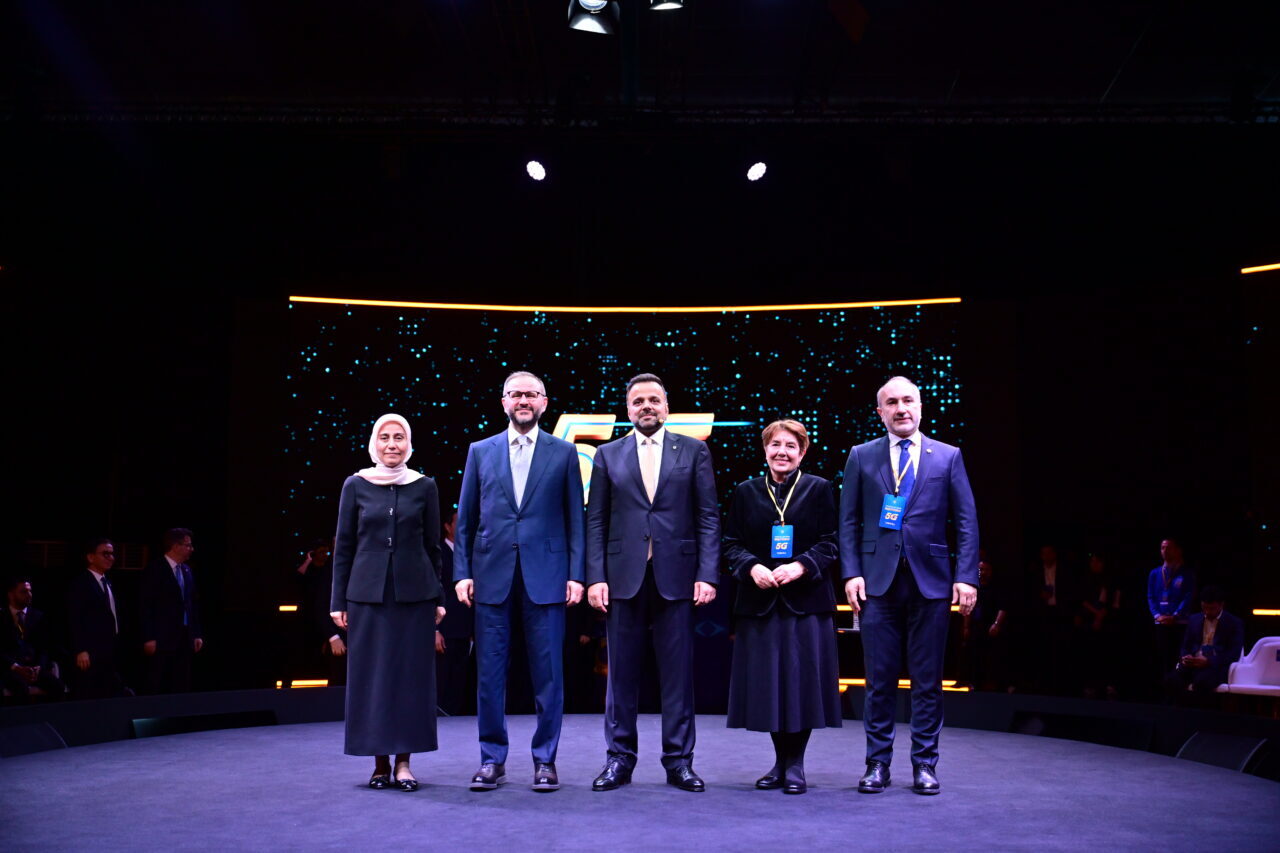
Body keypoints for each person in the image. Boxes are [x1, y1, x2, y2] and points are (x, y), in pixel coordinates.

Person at [840, 376, 978, 796]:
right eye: (892, 403)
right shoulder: (861, 455)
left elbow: (966, 521)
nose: (901, 409)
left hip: (930, 584)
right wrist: (851, 572)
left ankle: (925, 764)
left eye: (908, 401)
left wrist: (965, 576)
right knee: (879, 680)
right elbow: (848, 521)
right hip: (877, 584)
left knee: (927, 680)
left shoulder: (948, 456)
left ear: (920, 406)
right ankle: (877, 764)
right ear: (880, 412)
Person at [586, 373, 721, 792]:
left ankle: (679, 762)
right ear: (628, 409)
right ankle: (619, 759)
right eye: (638, 401)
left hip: (677, 576)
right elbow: (596, 521)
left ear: (666, 406)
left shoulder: (694, 451)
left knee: (677, 676)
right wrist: (595, 577)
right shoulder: (607, 454)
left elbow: (708, 516)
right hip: (622, 578)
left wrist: (707, 573)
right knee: (620, 677)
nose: (646, 406)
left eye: (653, 400)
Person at [454, 371, 585, 793]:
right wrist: (462, 572)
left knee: (549, 676)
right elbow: (466, 519)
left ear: (544, 402)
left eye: (531, 394)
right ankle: (491, 759)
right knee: (490, 675)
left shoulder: (564, 453)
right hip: (491, 577)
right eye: (515, 394)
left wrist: (576, 574)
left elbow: (575, 519)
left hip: (547, 577)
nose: (523, 400)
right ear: (503, 402)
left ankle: (545, 760)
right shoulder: (480, 451)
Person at [722, 419, 841, 795]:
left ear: (802, 452)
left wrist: (801, 565)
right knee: (772, 688)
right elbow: (730, 543)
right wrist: (751, 567)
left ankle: (796, 764)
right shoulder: (746, 491)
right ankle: (779, 762)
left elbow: (832, 542)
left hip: (806, 603)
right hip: (761, 602)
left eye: (790, 446)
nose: (782, 452)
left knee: (800, 686)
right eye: (775, 445)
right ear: (765, 450)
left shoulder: (819, 488)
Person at [330, 414, 446, 791]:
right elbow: (344, 547)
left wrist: (439, 597)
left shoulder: (424, 486)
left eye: (398, 437)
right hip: (367, 597)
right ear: (374, 443)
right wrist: (337, 601)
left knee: (410, 679)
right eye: (384, 437)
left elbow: (433, 546)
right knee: (373, 680)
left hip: (415, 596)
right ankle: (379, 763)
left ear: (408, 444)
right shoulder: (355, 484)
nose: (392, 444)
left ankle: (404, 764)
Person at [140, 527, 204, 694]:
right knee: (158, 680)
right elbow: (146, 606)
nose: (191, 549)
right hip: (162, 636)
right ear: (175, 546)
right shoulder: (155, 569)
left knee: (181, 680)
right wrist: (149, 637)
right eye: (188, 545)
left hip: (184, 635)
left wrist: (196, 633)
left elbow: (192, 604)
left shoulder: (187, 570)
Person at [66, 538, 128, 699]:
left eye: (112, 554)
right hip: (91, 649)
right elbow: (75, 618)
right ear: (91, 557)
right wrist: (81, 649)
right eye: (105, 554)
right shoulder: (81, 583)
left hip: (109, 647)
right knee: (89, 692)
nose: (110, 557)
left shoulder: (107, 582)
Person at [1164, 585, 1244, 699]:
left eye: (1211, 608)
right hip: (1193, 664)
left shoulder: (1234, 623)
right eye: (1204, 608)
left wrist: (1209, 661)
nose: (1207, 612)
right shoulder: (1194, 619)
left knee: (1202, 683)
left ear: (1221, 605)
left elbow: (1233, 654)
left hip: (1215, 667)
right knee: (1171, 680)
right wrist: (1186, 657)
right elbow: (1185, 646)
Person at [435, 511, 473, 716]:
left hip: (465, 628)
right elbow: (433, 591)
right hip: (445, 628)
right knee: (443, 677)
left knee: (460, 678)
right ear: (448, 526)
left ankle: (456, 718)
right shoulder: (438, 553)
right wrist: (435, 629)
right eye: (458, 522)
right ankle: (440, 718)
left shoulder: (468, 554)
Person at [3, 577, 65, 702]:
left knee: (57, 686)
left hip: (33, 669)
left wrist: (39, 667)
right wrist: (16, 667)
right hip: (10, 668)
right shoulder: (2, 616)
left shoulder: (38, 616)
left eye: (30, 591)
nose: (29, 595)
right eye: (23, 592)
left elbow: (44, 647)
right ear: (11, 595)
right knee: (20, 688)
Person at [1147, 538, 1194, 679]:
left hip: (1179, 622)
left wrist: (1175, 615)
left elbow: (1188, 596)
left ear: (1178, 551)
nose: (1165, 551)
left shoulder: (1186, 573)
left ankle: (1178, 687)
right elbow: (1151, 596)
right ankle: (1165, 688)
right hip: (1161, 622)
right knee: (1163, 659)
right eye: (1162, 548)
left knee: (1178, 657)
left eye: (1169, 547)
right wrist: (1157, 615)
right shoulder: (1155, 573)